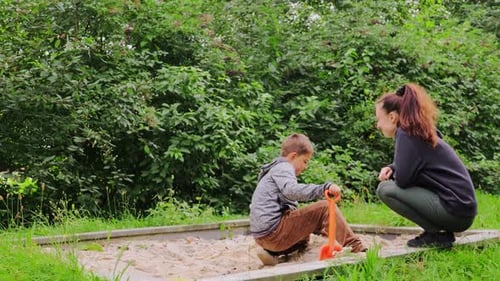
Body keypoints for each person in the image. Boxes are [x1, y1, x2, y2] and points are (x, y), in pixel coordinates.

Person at [374, 83, 477, 248]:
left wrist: (393, 174)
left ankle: (437, 234)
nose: (377, 125)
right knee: (389, 186)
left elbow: (403, 181)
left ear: (392, 117)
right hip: (462, 209)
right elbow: (418, 162)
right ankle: (438, 233)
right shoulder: (416, 131)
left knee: (385, 189)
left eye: (378, 119)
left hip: (455, 211)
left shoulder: (406, 134)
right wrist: (393, 167)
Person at [249, 133, 366, 266]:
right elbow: (291, 191)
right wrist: (323, 188)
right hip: (274, 233)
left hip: (262, 236)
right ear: (293, 156)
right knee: (324, 208)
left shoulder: (273, 171)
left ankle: (273, 254)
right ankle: (357, 248)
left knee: (305, 233)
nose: (305, 167)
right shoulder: (284, 167)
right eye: (305, 161)